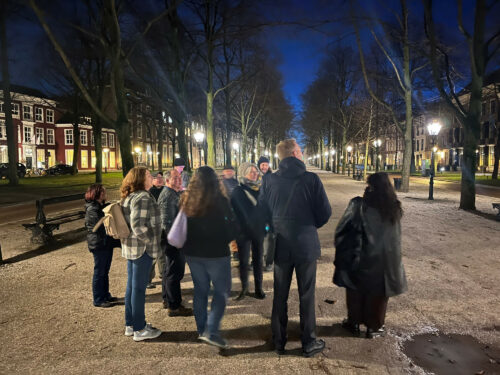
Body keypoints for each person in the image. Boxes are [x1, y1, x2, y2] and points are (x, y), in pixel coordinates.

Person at [259, 138, 332, 357]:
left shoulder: (269, 180)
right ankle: (308, 342)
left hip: (281, 244)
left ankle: (278, 340)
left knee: (280, 293)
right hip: (305, 244)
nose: (301, 154)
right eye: (299, 150)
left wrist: (275, 227)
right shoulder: (311, 179)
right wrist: (309, 226)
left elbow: (262, 213)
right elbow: (325, 213)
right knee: (306, 294)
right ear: (294, 154)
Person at [333, 172, 407, 339]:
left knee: (355, 290)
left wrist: (343, 249)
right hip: (385, 261)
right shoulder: (393, 208)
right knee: (379, 295)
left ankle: (353, 323)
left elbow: (342, 230)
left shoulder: (358, 205)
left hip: (360, 256)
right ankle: (374, 327)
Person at [180, 166, 238, 349]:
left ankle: (202, 329)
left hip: (193, 253)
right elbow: (230, 228)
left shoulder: (186, 200)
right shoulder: (220, 201)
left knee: (200, 290)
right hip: (216, 254)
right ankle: (211, 331)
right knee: (221, 291)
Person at [120, 167, 162, 341]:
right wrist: (152, 240)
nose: (151, 177)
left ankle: (130, 324)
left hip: (131, 247)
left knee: (132, 287)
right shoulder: (143, 197)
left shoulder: (130, 196)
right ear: (140, 179)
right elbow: (138, 226)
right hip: (142, 249)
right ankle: (140, 328)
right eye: (148, 175)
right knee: (138, 289)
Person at [157, 169, 193, 316]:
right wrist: (177, 241)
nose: (179, 180)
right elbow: (167, 222)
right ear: (167, 181)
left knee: (169, 271)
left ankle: (167, 299)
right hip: (172, 241)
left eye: (179, 178)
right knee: (174, 273)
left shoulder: (174, 193)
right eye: (175, 178)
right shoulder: (167, 196)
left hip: (173, 239)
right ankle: (174, 306)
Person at [230, 162, 266, 301]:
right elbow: (236, 212)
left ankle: (259, 288)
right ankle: (244, 288)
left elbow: (266, 208)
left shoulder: (261, 189)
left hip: (258, 230)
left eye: (256, 171)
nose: (255, 174)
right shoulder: (238, 191)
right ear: (244, 174)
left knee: (258, 260)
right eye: (251, 172)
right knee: (244, 261)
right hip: (243, 232)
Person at [84, 184, 119, 308]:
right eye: (103, 192)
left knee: (105, 271)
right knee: (99, 271)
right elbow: (97, 227)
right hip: (99, 244)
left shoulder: (99, 206)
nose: (105, 193)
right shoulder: (92, 209)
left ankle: (105, 294)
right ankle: (98, 299)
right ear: (97, 194)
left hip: (104, 243)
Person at [147, 172, 166, 289]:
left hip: (163, 226)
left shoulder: (166, 190)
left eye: (160, 177)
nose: (159, 180)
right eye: (156, 178)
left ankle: (163, 274)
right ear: (152, 180)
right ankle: (148, 279)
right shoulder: (149, 192)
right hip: (153, 226)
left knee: (163, 254)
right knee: (153, 256)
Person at [257, 156, 274, 272]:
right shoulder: (253, 177)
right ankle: (256, 261)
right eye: (262, 164)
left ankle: (268, 262)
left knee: (269, 238)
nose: (264, 166)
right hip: (256, 213)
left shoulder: (272, 178)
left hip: (269, 213)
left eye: (266, 164)